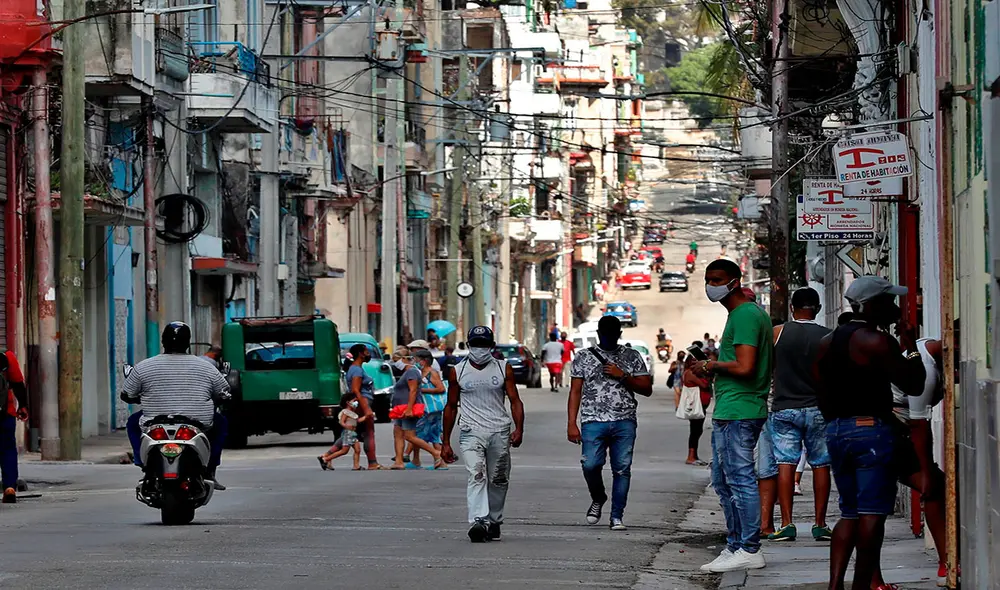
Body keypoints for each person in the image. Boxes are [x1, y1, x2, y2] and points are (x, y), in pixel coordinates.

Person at [815, 276, 925, 590]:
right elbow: (913, 383)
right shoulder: (875, 341)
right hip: (871, 433)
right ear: (870, 305)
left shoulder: (827, 343)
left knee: (849, 513)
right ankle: (861, 585)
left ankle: (836, 584)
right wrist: (911, 347)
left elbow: (819, 388)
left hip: (837, 430)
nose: (894, 308)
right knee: (872, 515)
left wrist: (838, 422)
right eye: (888, 302)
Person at [693, 259, 773, 573]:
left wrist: (710, 366)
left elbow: (745, 367)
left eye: (717, 279)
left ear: (734, 281)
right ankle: (736, 544)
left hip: (741, 409)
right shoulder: (744, 315)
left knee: (739, 480)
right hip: (733, 407)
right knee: (723, 481)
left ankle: (749, 547)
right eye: (708, 280)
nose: (711, 286)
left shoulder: (745, 316)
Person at [872, 326, 949, 587]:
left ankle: (945, 563)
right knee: (932, 487)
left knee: (874, 509)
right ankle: (945, 563)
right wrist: (926, 471)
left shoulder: (927, 348)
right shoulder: (926, 369)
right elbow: (919, 426)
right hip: (890, 432)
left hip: (889, 431)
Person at [122, 322, 231, 490]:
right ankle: (210, 470)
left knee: (132, 423)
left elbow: (127, 394)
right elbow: (224, 393)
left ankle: (142, 462)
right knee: (221, 423)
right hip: (198, 422)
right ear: (188, 342)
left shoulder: (144, 367)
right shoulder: (207, 368)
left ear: (163, 342)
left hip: (154, 423)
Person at [567, 316, 652, 531]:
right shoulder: (583, 357)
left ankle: (617, 517)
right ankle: (598, 497)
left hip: (624, 420)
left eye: (613, 334)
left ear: (619, 335)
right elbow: (575, 391)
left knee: (622, 469)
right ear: (599, 334)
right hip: (592, 420)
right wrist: (571, 423)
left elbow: (646, 388)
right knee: (590, 464)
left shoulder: (631, 356)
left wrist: (622, 375)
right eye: (605, 334)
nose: (609, 338)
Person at [442, 326, 525, 543]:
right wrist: (445, 442)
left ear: (492, 347)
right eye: (476, 345)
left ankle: (494, 520)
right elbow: (450, 406)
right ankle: (479, 521)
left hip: (499, 430)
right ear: (469, 346)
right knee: (476, 474)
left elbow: (515, 401)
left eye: (484, 345)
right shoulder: (457, 371)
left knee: (498, 478)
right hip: (470, 432)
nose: (480, 349)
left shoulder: (503, 368)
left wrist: (519, 429)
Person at [766, 287, 833, 542]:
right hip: (818, 408)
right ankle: (820, 524)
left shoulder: (778, 333)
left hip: (785, 407)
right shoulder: (828, 336)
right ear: (816, 308)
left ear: (792, 307)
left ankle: (786, 524)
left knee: (785, 463)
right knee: (820, 464)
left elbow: (768, 367)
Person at [389, 347, 445, 470]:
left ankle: (436, 453)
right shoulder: (408, 372)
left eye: (397, 360)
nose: (395, 363)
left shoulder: (412, 372)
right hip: (400, 409)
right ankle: (399, 461)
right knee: (398, 433)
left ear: (405, 359)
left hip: (407, 408)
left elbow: (413, 390)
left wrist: (409, 409)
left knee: (410, 435)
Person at [344, 343, 385, 470]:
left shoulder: (356, 368)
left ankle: (327, 456)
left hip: (361, 402)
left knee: (351, 432)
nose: (368, 354)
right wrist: (367, 409)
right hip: (363, 402)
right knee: (369, 432)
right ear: (361, 354)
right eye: (366, 352)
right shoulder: (356, 369)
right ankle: (372, 463)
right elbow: (356, 390)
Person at [0, 351, 28, 503]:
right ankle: (9, 487)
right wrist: (23, 406)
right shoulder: (7, 356)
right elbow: (18, 383)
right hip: (5, 413)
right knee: (7, 449)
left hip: (6, 413)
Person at [411, 349, 446, 468]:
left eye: (416, 360)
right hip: (426, 408)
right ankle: (440, 462)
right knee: (434, 435)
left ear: (424, 361)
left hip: (430, 409)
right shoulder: (422, 373)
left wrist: (422, 390)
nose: (415, 362)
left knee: (416, 434)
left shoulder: (432, 373)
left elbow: (441, 388)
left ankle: (436, 457)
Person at [317, 393, 365, 470]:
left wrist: (367, 416)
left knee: (357, 449)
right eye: (354, 401)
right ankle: (325, 459)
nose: (356, 403)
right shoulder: (345, 412)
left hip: (353, 434)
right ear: (348, 402)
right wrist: (346, 426)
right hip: (348, 434)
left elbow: (358, 421)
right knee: (344, 451)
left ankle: (356, 466)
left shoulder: (352, 413)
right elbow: (341, 422)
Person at [681, 355, 712, 465]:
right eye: (693, 362)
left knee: (698, 431)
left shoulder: (696, 373)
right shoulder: (690, 373)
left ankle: (694, 455)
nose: (695, 364)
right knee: (695, 431)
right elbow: (703, 385)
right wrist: (707, 377)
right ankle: (691, 456)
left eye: (696, 361)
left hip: (701, 406)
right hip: (695, 407)